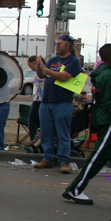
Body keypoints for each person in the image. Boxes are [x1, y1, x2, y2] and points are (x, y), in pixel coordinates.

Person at [62, 44, 111, 205]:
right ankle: (75, 189)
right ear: (110, 57)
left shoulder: (106, 74)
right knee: (98, 157)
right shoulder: (109, 76)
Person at [34, 34, 83, 173]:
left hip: (62, 102)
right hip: (46, 101)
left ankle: (64, 160)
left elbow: (63, 77)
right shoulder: (54, 60)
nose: (57, 46)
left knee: (63, 132)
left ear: (68, 45)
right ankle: (47, 158)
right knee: (46, 132)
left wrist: (46, 69)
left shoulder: (73, 61)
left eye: (60, 43)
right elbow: (42, 75)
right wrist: (39, 66)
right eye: (57, 43)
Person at [27, 55, 45, 146]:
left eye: (31, 66)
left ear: (35, 63)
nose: (31, 68)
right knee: (35, 120)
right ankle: (36, 139)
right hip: (37, 98)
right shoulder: (38, 73)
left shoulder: (43, 71)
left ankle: (35, 140)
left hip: (40, 99)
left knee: (32, 120)